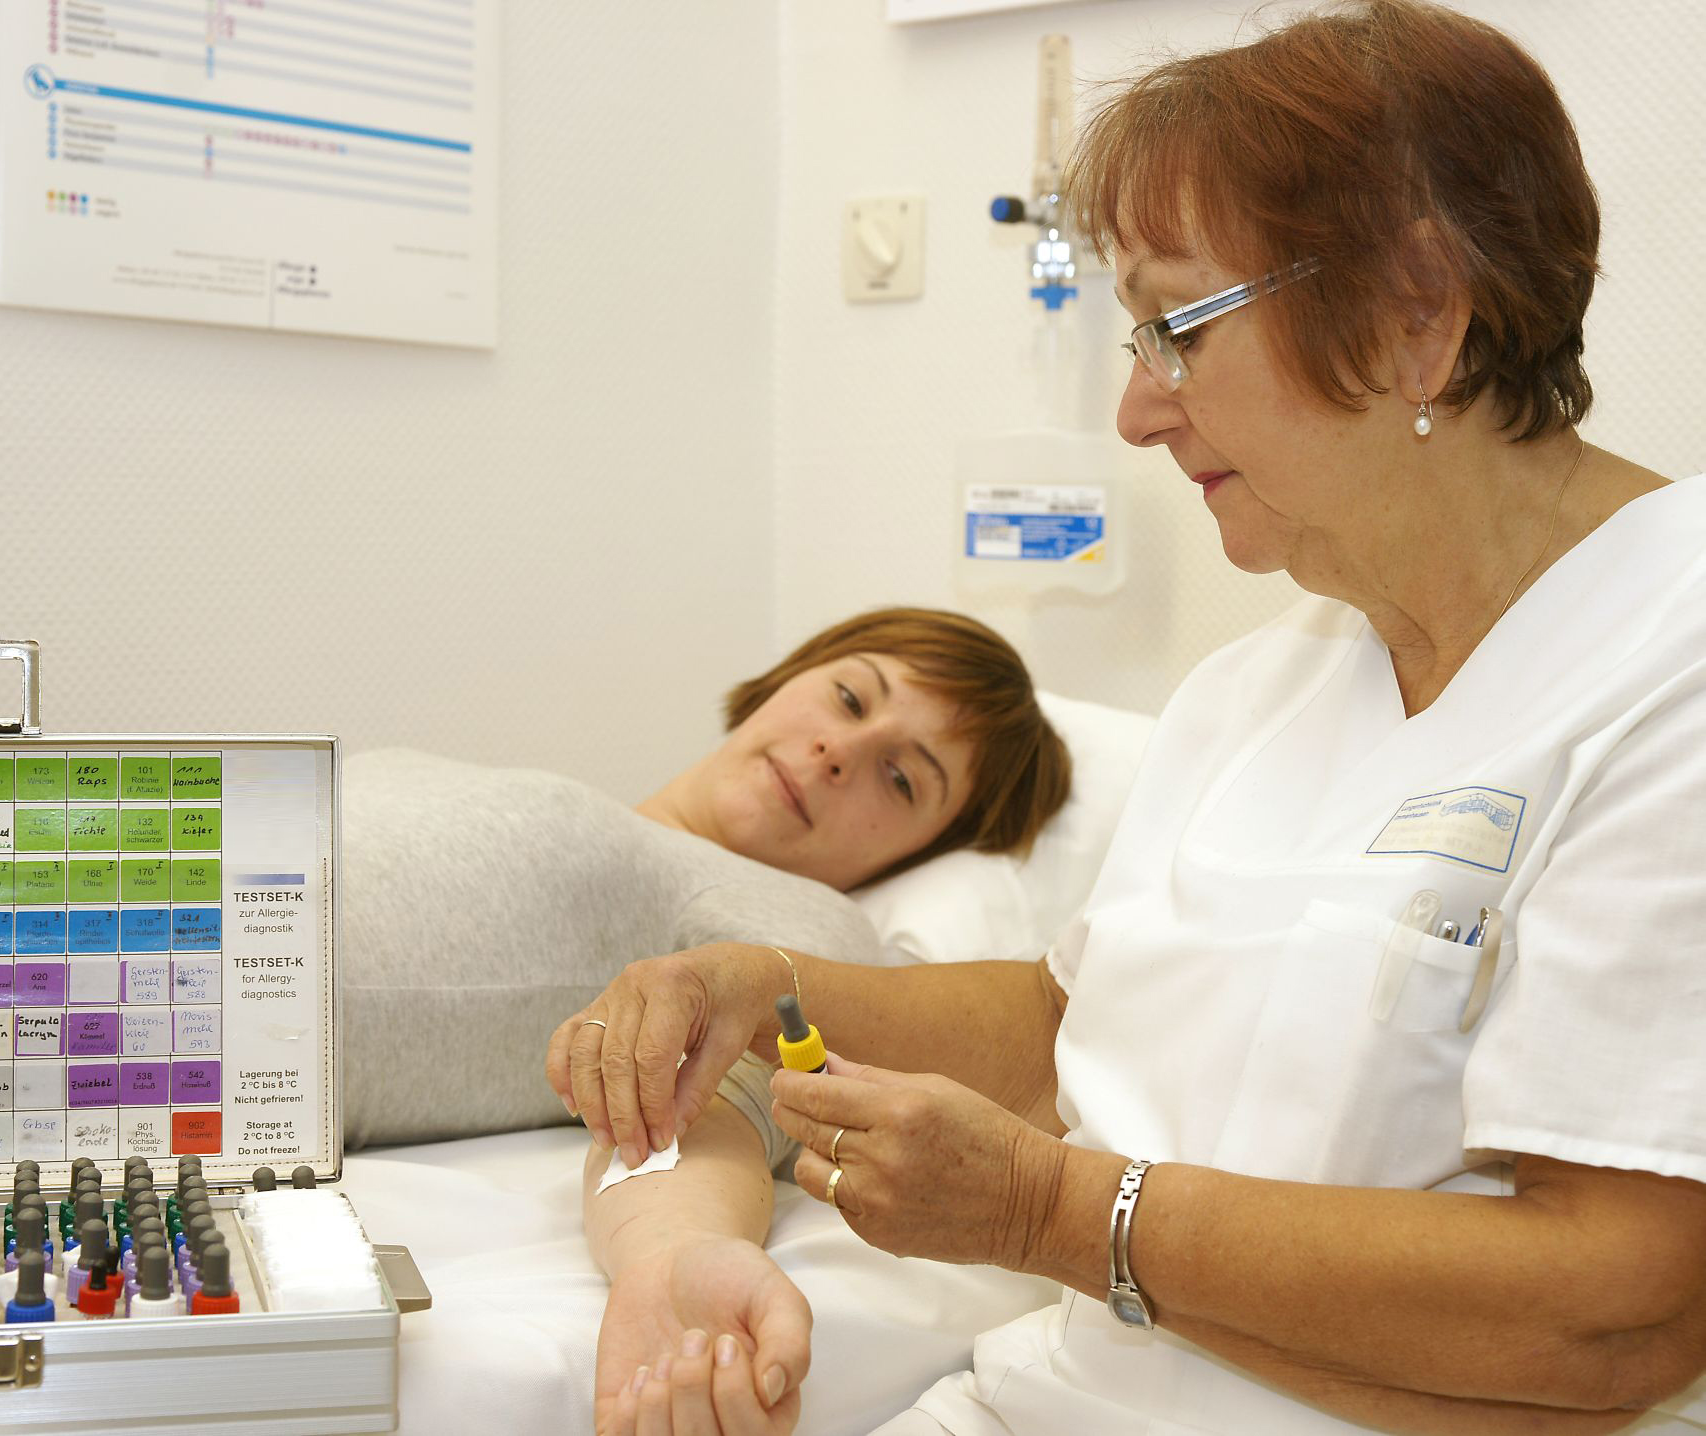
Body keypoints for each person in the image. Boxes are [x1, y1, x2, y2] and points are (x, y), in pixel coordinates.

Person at [553, 4, 1706, 1432]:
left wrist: (1050, 1211)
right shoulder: (1261, 685)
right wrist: (767, 985)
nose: (1137, 411)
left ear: (1419, 314)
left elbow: (1615, 1309)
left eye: (1179, 328)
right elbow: (1067, 1022)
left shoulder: (1671, 659)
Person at [340, 605, 1069, 1149]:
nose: (839, 750)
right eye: (850, 698)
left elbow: (734, 1120)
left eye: (901, 778)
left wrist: (676, 1256)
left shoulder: (793, 929)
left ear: (912, 858)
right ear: (791, 675)